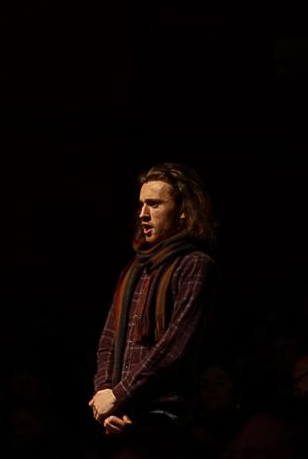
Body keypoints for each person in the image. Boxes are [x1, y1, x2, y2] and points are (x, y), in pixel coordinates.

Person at [90, 162, 218, 435]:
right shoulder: (135, 268)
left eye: (155, 204)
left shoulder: (195, 264)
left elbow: (174, 347)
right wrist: (104, 393)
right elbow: (108, 339)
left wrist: (118, 395)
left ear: (183, 212)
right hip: (123, 411)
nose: (143, 214)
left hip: (164, 412)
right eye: (141, 205)